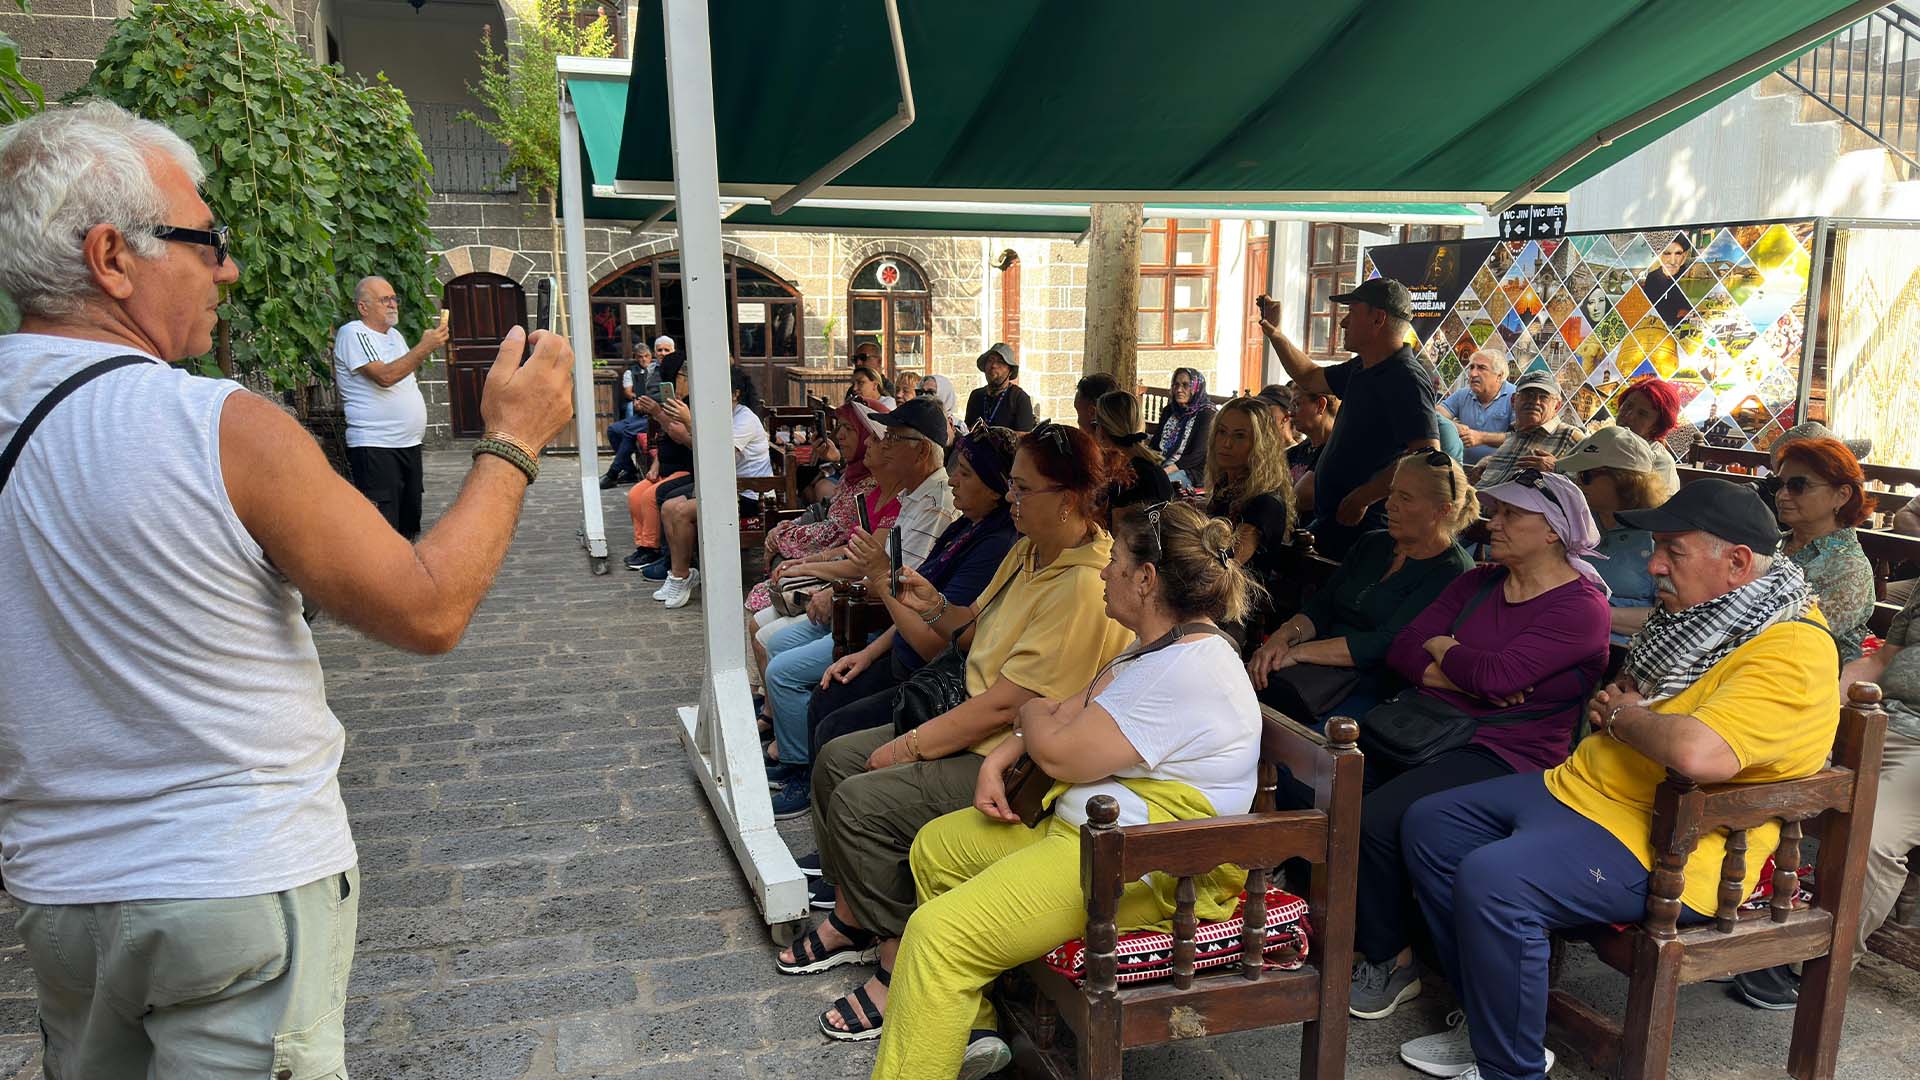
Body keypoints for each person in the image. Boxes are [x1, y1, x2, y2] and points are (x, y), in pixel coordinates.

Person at [0, 100, 575, 1077]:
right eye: (201, 238)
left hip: (60, 895)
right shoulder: (218, 427)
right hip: (234, 884)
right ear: (111, 257)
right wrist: (515, 441)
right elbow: (428, 604)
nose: (224, 266)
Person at [1397, 479, 1839, 1080]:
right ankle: (1493, 1020)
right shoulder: (1707, 618)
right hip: (1594, 793)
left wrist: (1627, 716)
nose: (1653, 563)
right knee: (1431, 823)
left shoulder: (1789, 647)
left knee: (1495, 880)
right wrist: (1632, 709)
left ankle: (1512, 1067)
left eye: (1672, 551)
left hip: (1674, 842)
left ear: (1736, 563)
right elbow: (1645, 699)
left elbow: (1697, 752)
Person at [871, 502, 1263, 1078]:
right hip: (1090, 839)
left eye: (1117, 561)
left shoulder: (1189, 669)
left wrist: (1029, 720)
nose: (1104, 571)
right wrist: (1011, 745)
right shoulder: (1157, 647)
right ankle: (971, 1027)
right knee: (939, 847)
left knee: (937, 936)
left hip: (1141, 867)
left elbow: (1059, 746)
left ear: (1146, 579)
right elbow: (1064, 711)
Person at [775, 422, 1132, 1042]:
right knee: (835, 756)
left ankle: (897, 955)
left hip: (1016, 759)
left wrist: (906, 746)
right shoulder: (1029, 551)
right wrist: (930, 600)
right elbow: (972, 628)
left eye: (1022, 489)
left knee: (864, 793)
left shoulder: (1080, 582)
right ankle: (859, 915)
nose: (1011, 499)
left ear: (1069, 499)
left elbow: (1005, 707)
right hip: (975, 716)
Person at [1347, 469, 1611, 1020]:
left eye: (1515, 514)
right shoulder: (1480, 581)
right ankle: (1377, 926)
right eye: (1497, 510)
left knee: (1376, 818)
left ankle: (1391, 961)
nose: (1496, 522)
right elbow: (1404, 647)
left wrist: (1448, 653)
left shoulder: (1580, 607)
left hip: (1509, 753)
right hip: (1429, 728)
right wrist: (1452, 664)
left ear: (1555, 532)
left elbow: (1496, 676)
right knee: (1331, 790)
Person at [761, 399, 960, 814]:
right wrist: (830, 574)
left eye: (893, 439)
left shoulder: (938, 503)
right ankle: (795, 754)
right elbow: (874, 564)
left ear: (920, 450)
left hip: (885, 623)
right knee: (772, 644)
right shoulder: (914, 495)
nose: (881, 445)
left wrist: (840, 590)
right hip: (880, 618)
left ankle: (801, 769)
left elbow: (900, 583)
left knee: (793, 678)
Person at [1248, 451, 1475, 728]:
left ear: (1443, 510)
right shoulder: (1373, 544)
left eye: (1405, 498)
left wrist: (1297, 653)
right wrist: (1281, 639)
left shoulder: (1452, 569)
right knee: (1242, 702)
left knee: (1294, 731)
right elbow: (1323, 605)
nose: (1390, 505)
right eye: (1392, 493)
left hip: (1376, 686)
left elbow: (1386, 643)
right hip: (1313, 668)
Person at [1257, 277, 1440, 559]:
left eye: (1352, 312)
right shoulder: (1364, 366)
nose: (1343, 322)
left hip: (1368, 527)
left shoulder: (1406, 377)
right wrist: (1274, 332)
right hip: (1336, 518)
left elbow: (1427, 455)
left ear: (1378, 318)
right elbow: (1308, 376)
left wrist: (1364, 497)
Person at [333, 274, 448, 540]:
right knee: (384, 528)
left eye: (394, 298)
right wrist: (425, 347)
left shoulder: (395, 336)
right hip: (376, 446)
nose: (393, 304)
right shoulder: (354, 333)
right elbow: (385, 377)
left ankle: (408, 578)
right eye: (385, 300)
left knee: (410, 522)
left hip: (407, 443)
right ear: (363, 307)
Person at [654, 364, 774, 608]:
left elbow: (721, 458)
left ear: (735, 393)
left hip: (751, 496)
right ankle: (682, 574)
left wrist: (689, 423)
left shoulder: (745, 419)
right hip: (727, 491)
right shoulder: (721, 415)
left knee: (681, 512)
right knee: (668, 506)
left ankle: (681, 576)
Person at [1553, 426, 1673, 644]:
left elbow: (1669, 616)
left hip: (1621, 652)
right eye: (1577, 475)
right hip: (1562, 636)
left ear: (1623, 479)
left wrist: (1591, 613)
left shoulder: (1660, 538)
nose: (1578, 483)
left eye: (1586, 475)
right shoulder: (1575, 522)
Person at [1773, 436, 1876, 664]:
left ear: (1842, 495)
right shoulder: (1772, 543)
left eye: (1798, 486)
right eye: (1779, 485)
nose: (1782, 495)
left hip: (1806, 674)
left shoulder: (1850, 568)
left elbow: (1799, 639)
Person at [1201, 396, 1294, 639]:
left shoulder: (1265, 502)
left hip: (1236, 613)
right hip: (1208, 596)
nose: (1226, 443)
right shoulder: (1226, 489)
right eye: (1221, 432)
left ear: (1259, 445)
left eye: (1240, 436)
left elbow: (1227, 563)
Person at [622, 351, 693, 572]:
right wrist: (655, 465)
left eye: (684, 377)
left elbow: (680, 436)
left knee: (651, 497)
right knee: (635, 494)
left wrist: (657, 413)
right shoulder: (675, 401)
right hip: (667, 465)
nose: (680, 382)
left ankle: (654, 548)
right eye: (679, 376)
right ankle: (643, 545)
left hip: (685, 467)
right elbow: (664, 440)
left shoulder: (689, 406)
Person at [1471, 370, 1584, 488]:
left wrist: (1557, 470)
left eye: (1543, 397)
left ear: (1556, 406)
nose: (1535, 402)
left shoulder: (1570, 436)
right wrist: (1490, 462)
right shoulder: (1513, 436)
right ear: (1514, 401)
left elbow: (1591, 489)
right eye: (1527, 395)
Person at [1089, 389, 1171, 513]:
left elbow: (1118, 528)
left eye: (1096, 424)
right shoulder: (1153, 470)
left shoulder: (1126, 478)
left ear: (1101, 432)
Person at [1439, 348, 1516, 465]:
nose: (1473, 374)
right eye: (1471, 367)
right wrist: (1453, 426)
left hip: (1497, 473)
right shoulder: (1463, 394)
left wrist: (1481, 438)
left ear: (1499, 376)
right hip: (1461, 469)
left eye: (1481, 368)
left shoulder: (1515, 397)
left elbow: (1519, 438)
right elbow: (1435, 414)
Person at [600, 340, 657, 488]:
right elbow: (628, 392)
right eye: (660, 350)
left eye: (666, 350)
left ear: (651, 356)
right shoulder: (633, 371)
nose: (643, 359)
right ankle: (630, 471)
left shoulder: (664, 371)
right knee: (613, 429)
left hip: (656, 415)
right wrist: (638, 401)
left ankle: (613, 472)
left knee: (629, 430)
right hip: (641, 412)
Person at [1612, 378, 1683, 490]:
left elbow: (1657, 506)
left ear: (1657, 425)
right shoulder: (1607, 442)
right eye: (1628, 406)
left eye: (1642, 414)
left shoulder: (1660, 461)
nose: (1629, 416)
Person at [1154, 366, 1216, 487]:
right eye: (1176, 384)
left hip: (1189, 471)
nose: (1179, 390)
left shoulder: (1207, 414)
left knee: (1157, 484)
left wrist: (1165, 471)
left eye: (1185, 385)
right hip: (1162, 464)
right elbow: (1155, 443)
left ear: (1196, 388)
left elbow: (1197, 455)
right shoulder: (1169, 411)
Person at [1286, 388, 1340, 513]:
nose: (1291, 413)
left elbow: (1301, 498)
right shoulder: (1295, 452)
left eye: (1297, 404)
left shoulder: (1340, 450)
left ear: (1321, 405)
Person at [963, 343, 1035, 431]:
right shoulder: (976, 396)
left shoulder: (1019, 399)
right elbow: (967, 432)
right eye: (990, 360)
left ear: (1010, 371)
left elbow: (1025, 439)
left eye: (1000, 362)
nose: (993, 365)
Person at [1643, 236, 1694, 327]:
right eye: (1667, 253)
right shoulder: (1652, 277)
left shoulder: (1688, 276)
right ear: (1660, 255)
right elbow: (1650, 309)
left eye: (1678, 253)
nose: (1672, 261)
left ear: (1684, 256)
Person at [917, 373, 961, 446]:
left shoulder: (958, 426)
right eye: (920, 392)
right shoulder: (914, 421)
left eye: (930, 392)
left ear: (944, 394)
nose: (923, 396)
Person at [1257, 383, 1300, 447]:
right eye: (1259, 407)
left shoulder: (1299, 454)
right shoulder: (1260, 450)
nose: (1260, 412)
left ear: (1287, 414)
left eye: (1267, 406)